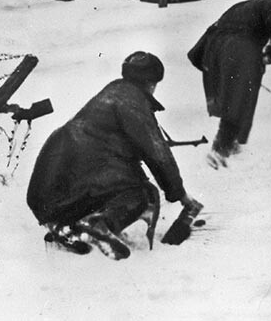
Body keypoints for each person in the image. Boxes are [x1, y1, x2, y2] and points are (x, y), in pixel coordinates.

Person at [26, 51, 199, 260]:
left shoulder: (110, 94)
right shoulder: (132, 101)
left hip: (45, 192)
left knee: (112, 184)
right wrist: (179, 194)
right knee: (142, 194)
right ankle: (100, 225)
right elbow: (157, 153)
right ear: (151, 83)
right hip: (76, 179)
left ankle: (67, 230)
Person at [187, 0, 271, 169]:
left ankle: (229, 144)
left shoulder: (239, 6)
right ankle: (220, 149)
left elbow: (212, 30)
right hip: (241, 50)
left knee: (233, 98)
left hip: (215, 50)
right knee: (240, 101)